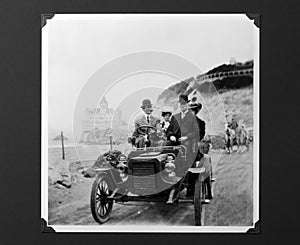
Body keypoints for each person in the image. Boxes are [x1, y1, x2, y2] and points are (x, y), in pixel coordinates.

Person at [188, 103, 213, 202]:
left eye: (193, 111)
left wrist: (189, 138)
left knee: (194, 156)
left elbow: (200, 135)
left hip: (193, 145)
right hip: (181, 145)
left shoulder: (201, 123)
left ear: (196, 112)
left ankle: (192, 187)